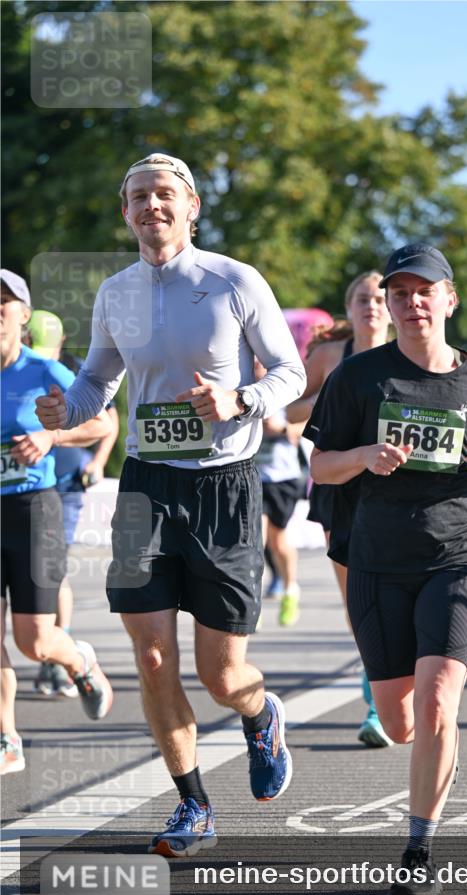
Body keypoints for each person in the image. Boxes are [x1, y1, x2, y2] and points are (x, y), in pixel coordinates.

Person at [36, 153, 306, 856]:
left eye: (163, 194)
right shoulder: (115, 292)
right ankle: (193, 806)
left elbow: (290, 372)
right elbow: (98, 380)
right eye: (137, 197)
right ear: (125, 213)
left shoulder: (233, 280)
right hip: (146, 487)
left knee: (222, 675)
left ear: (190, 206)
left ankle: (259, 711)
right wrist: (68, 405)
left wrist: (239, 398)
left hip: (224, 487)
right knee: (152, 659)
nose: (150, 206)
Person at [304, 244, 467, 895]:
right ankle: (423, 769)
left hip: (459, 555)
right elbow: (319, 467)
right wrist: (361, 456)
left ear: (448, 299)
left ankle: (417, 848)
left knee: (437, 702)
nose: (411, 303)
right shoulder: (358, 378)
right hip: (376, 560)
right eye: (399, 293)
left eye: (423, 291)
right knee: (399, 721)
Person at [1, 270, 114, 775]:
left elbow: (102, 422)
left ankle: (78, 662)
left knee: (35, 641)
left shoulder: (41, 370)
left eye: (3, 304)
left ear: (23, 316)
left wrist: (49, 439)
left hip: (32, 509)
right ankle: (6, 736)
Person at [287, 273, 394, 748]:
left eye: (378, 298)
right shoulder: (331, 356)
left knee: (397, 598)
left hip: (396, 491)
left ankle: (401, 690)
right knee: (361, 605)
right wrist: (327, 396)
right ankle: (377, 706)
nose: (371, 306)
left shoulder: (412, 352)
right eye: (362, 299)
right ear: (348, 309)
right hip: (338, 485)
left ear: (391, 307)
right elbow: (288, 408)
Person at [25, 309, 120, 697]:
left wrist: (95, 461)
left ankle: (57, 651)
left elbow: (106, 422)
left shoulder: (71, 369)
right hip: (16, 487)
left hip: (63, 481)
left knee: (52, 568)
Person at [254, 362, 303, 627]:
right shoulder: (242, 390)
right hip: (254, 477)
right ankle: (253, 602)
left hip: (284, 478)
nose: (256, 365)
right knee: (256, 540)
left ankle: (290, 590)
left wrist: (284, 429)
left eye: (260, 361)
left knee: (278, 541)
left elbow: (311, 422)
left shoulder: (288, 390)